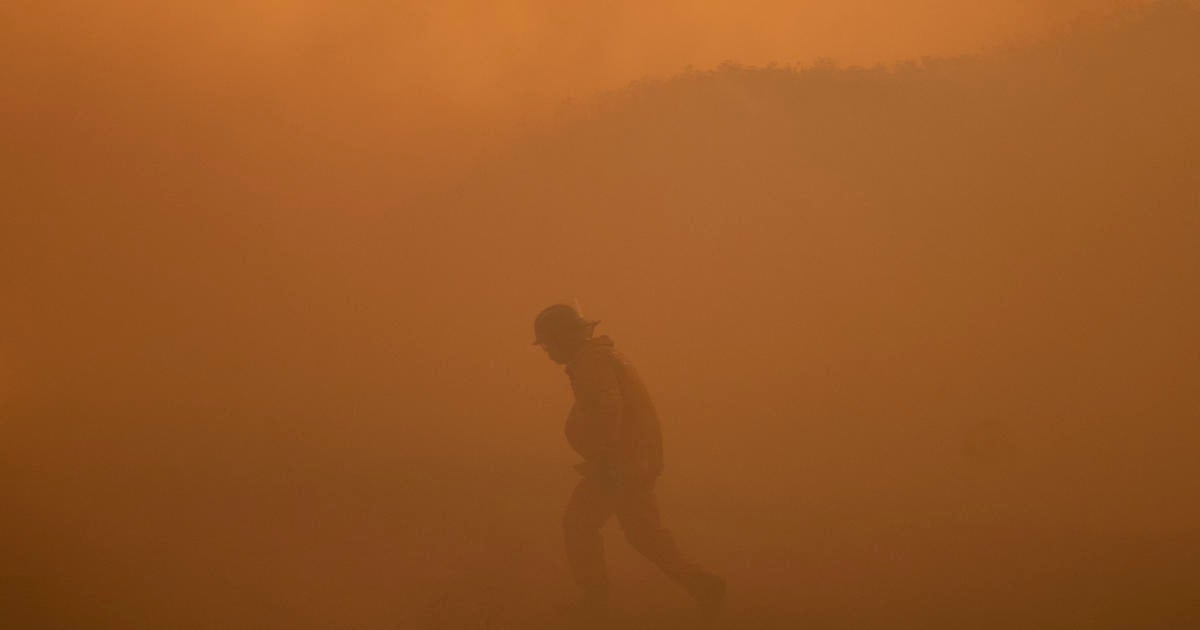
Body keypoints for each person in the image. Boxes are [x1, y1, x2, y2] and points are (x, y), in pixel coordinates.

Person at [532, 303, 727, 622]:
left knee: (579, 525)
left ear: (564, 338)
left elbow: (610, 410)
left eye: (549, 343)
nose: (548, 351)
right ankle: (703, 585)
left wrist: (604, 458)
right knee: (644, 535)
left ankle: (595, 604)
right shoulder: (597, 358)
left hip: (620, 464)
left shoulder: (591, 362)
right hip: (633, 460)